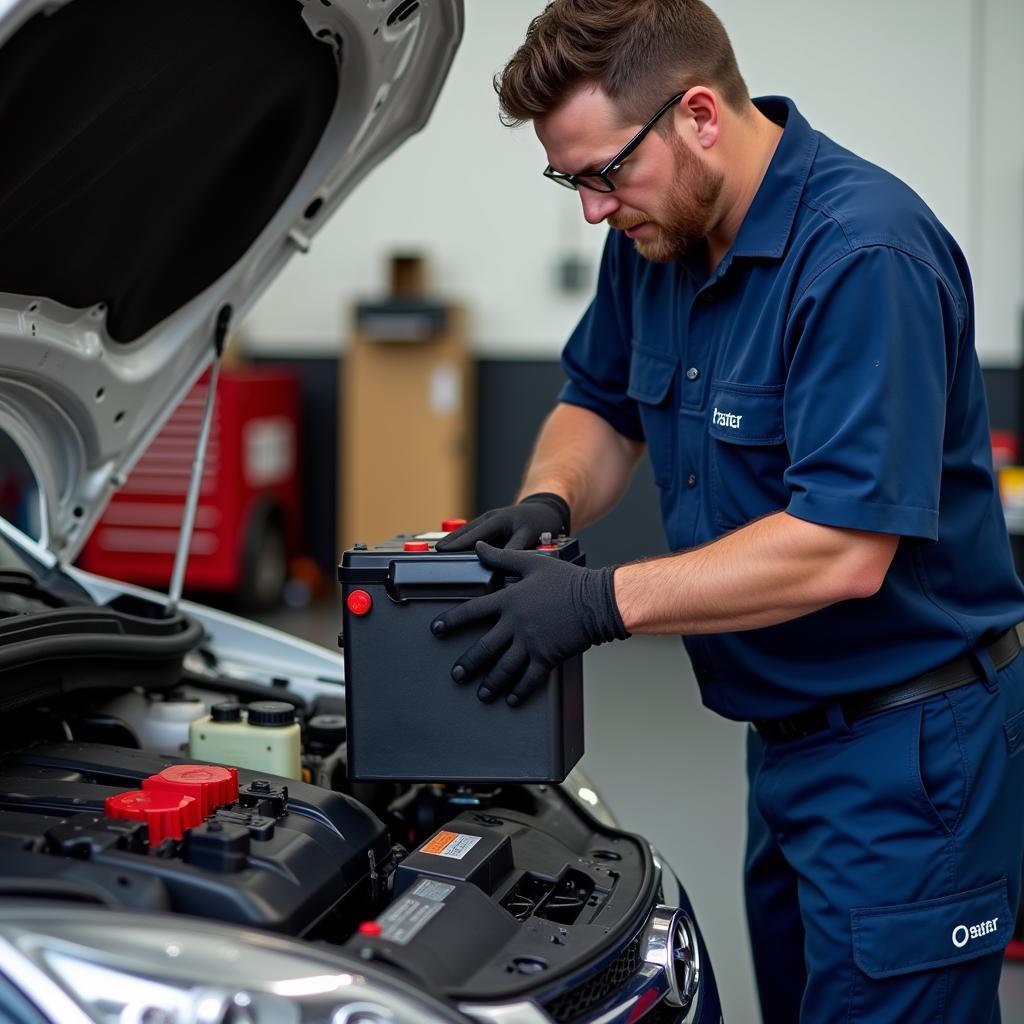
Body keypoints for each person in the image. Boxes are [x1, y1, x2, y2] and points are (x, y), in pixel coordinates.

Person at [428, 1, 1024, 1021]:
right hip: (784, 743)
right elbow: (598, 405)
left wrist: (596, 601)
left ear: (699, 114)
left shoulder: (860, 259)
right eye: (567, 179)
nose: (591, 210)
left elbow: (839, 551)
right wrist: (549, 497)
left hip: (909, 761)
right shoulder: (657, 239)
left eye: (604, 173)